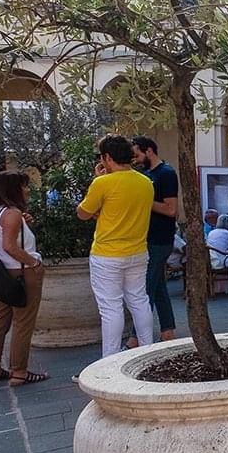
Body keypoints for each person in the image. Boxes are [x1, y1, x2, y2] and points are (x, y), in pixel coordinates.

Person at [77, 135, 155, 358]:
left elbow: (83, 213)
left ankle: (108, 361)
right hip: (138, 251)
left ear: (107, 157)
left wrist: (98, 180)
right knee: (139, 301)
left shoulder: (102, 183)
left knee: (111, 309)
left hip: (107, 254)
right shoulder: (145, 182)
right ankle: (148, 350)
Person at [0, 171, 48, 385]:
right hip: (21, 272)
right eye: (24, 186)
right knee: (23, 322)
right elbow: (10, 246)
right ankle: (19, 371)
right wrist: (33, 262)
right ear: (13, 189)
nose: (27, 190)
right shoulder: (12, 213)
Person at [131, 136, 179, 343]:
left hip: (160, 238)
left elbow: (171, 209)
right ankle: (168, 331)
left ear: (149, 150)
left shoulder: (166, 173)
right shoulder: (144, 174)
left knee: (145, 289)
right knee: (157, 285)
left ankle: (135, 339)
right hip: (146, 237)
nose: (135, 159)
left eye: (137, 154)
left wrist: (144, 200)